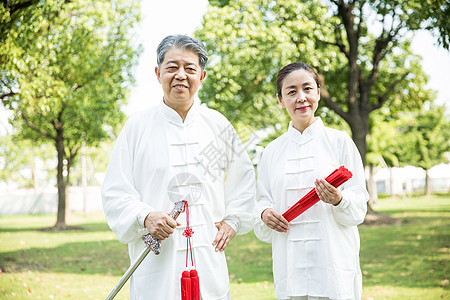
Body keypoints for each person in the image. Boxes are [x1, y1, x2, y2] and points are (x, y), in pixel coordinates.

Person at [102, 34, 255, 300]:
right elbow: (115, 192)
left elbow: (245, 179)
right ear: (158, 72)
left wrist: (233, 220)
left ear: (202, 76)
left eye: (190, 68)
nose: (180, 75)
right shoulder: (137, 127)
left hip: (208, 257)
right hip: (156, 263)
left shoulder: (219, 125)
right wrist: (145, 216)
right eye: (172, 67)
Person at [253, 62, 369, 300]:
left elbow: (359, 206)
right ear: (280, 99)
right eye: (291, 91)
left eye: (307, 88)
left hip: (333, 267)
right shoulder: (272, 151)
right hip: (290, 266)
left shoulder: (340, 142)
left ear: (318, 91)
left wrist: (339, 199)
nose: (301, 98)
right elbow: (261, 200)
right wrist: (264, 213)